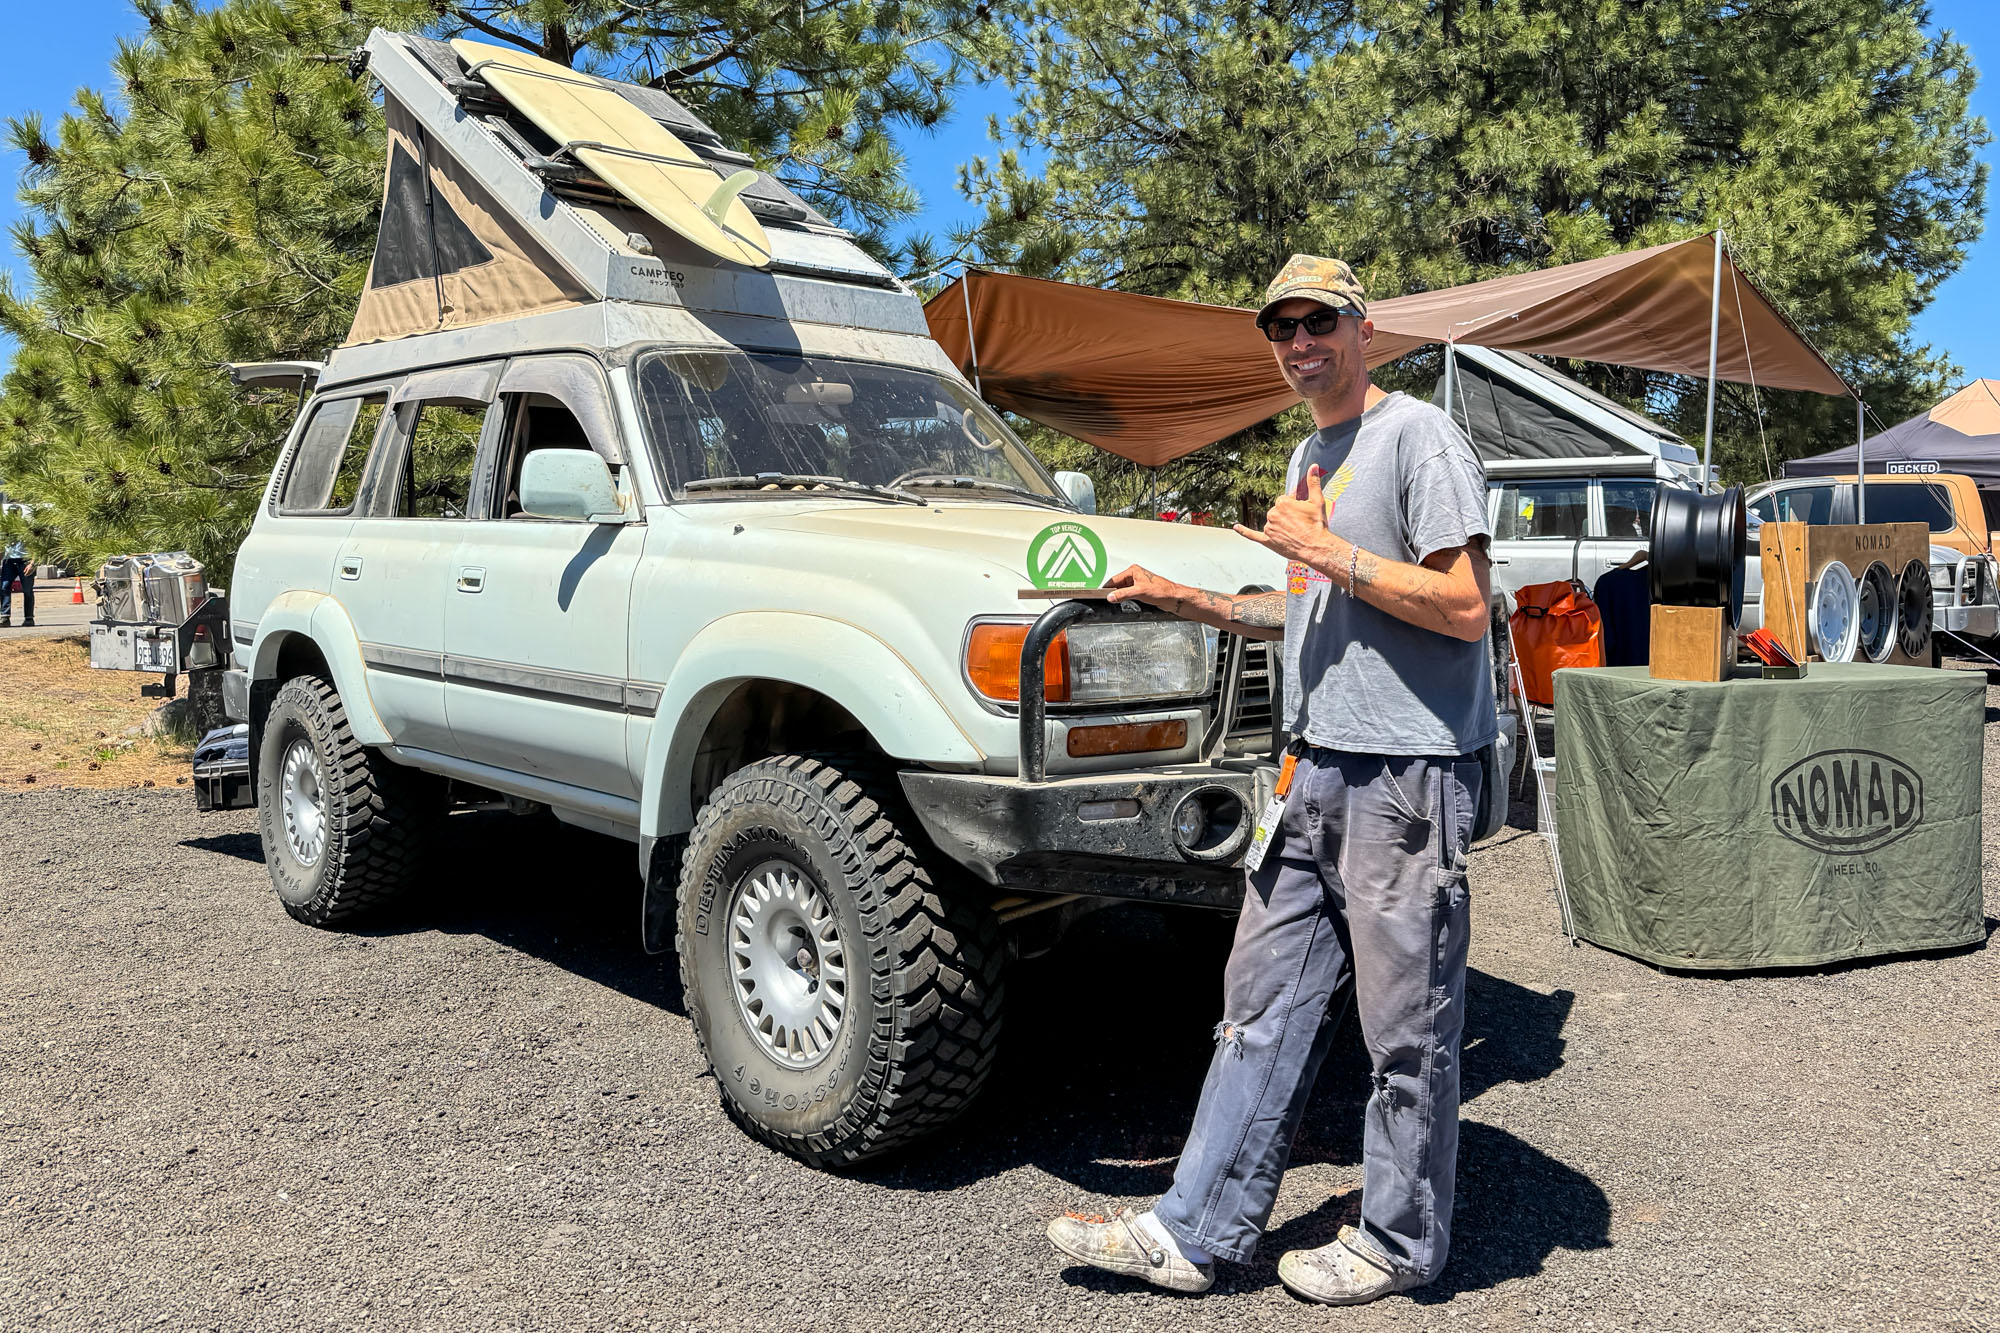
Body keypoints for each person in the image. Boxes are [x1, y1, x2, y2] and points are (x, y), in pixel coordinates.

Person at [1044, 255, 1496, 1305]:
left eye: (1318, 323)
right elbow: (1299, 609)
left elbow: (1464, 606)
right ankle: (1194, 1232)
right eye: (1281, 328)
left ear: (1362, 329)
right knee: (1256, 1006)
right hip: (1313, 770)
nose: (1299, 344)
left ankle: (1397, 1242)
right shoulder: (1309, 451)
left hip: (1405, 776)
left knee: (1407, 1030)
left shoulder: (1416, 437)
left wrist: (1326, 553)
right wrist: (1183, 598)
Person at [0, 532, 33, 628]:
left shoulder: (26, 521)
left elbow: (37, 545)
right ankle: (4, 617)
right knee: (4, 587)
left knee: (27, 590)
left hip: (25, 560)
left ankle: (29, 618)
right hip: (8, 560)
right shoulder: (5, 523)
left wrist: (32, 563)